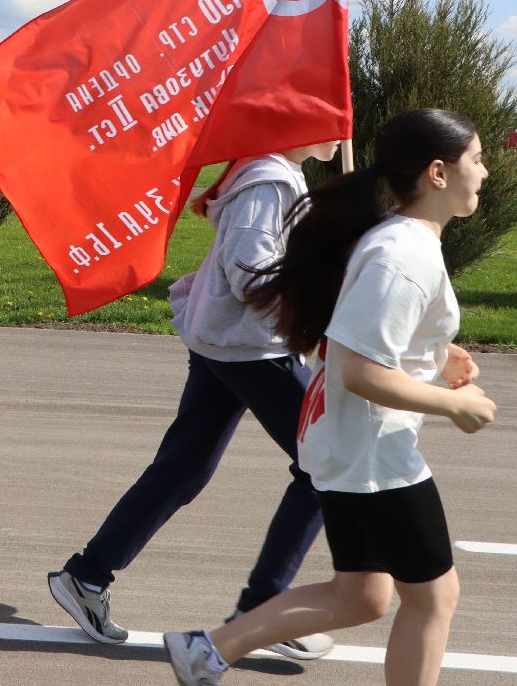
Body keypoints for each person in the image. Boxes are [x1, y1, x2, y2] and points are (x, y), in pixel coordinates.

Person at [164, 109, 496, 686]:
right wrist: (454, 404)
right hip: (371, 452)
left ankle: (206, 650)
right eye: (478, 159)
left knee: (363, 596)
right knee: (435, 597)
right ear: (438, 173)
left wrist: (438, 352)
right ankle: (207, 649)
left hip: (344, 443)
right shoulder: (404, 254)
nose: (485, 173)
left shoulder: (397, 239)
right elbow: (361, 371)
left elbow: (353, 331)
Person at [48, 141, 340, 661]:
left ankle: (86, 577)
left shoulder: (272, 174)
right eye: (333, 115)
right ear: (300, 120)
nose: (345, 126)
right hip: (251, 349)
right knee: (328, 462)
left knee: (183, 469)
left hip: (224, 342)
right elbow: (249, 270)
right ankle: (263, 609)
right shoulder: (270, 179)